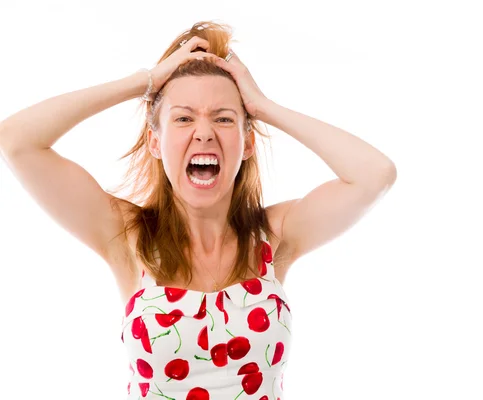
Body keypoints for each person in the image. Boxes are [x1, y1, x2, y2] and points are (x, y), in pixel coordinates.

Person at [0, 21, 396, 399]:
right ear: (156, 142)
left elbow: (375, 174)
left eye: (223, 119)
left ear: (247, 143)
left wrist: (264, 106)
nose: (203, 132)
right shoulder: (125, 235)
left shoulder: (275, 236)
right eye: (184, 118)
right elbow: (16, 140)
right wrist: (146, 82)